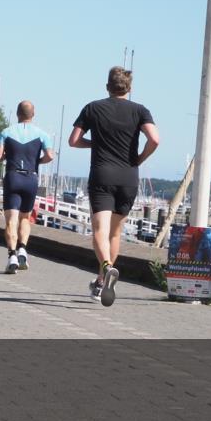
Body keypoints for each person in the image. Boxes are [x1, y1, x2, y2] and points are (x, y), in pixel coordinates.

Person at [68, 66, 159, 306]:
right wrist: (139, 158)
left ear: (108, 86)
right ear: (129, 88)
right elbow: (155, 139)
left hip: (102, 174)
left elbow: (73, 141)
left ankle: (107, 267)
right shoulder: (140, 111)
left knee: (99, 230)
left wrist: (95, 143)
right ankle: (101, 281)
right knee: (115, 233)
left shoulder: (93, 108)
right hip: (128, 176)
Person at [0, 101, 54, 274]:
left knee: (11, 220)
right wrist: (37, 162)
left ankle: (11, 255)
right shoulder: (42, 134)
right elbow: (50, 155)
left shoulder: (6, 132)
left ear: (17, 114)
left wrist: (3, 155)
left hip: (13, 176)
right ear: (33, 114)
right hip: (31, 177)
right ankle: (22, 249)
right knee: (25, 218)